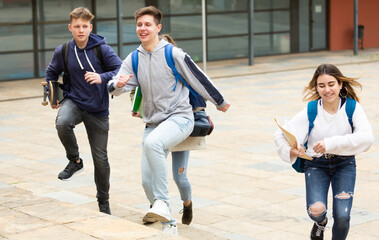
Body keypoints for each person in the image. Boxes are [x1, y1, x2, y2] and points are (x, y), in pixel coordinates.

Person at [108, 6, 230, 235]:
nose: (142, 29)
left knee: (161, 154)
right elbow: (113, 87)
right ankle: (169, 224)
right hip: (153, 123)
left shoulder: (173, 54)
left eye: (147, 24)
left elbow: (198, 78)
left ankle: (165, 203)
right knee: (146, 181)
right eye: (139, 25)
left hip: (180, 118)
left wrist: (219, 100)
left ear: (158, 28)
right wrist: (119, 85)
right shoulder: (134, 58)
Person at [274, 64, 373, 240]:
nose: (327, 89)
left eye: (331, 84)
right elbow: (280, 134)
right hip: (316, 165)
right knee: (315, 211)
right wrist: (292, 149)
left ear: (340, 84)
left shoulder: (352, 108)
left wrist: (330, 143)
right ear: (316, 87)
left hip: (345, 164)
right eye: (321, 85)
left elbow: (367, 138)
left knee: (342, 216)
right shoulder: (312, 109)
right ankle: (320, 222)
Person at [45, 7, 122, 215]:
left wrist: (102, 77)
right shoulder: (63, 50)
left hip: (98, 108)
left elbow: (121, 70)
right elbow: (51, 73)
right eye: (77, 26)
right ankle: (75, 160)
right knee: (62, 122)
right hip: (75, 101)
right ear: (70, 27)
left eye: (84, 26)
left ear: (91, 27)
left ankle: (103, 202)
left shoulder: (102, 49)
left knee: (101, 159)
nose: (81, 30)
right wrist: (52, 95)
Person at [131, 34, 193, 226]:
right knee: (147, 180)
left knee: (180, 177)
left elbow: (200, 93)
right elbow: (139, 97)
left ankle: (187, 203)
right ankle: (157, 208)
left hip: (178, 127)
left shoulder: (179, 70)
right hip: (157, 129)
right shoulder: (147, 73)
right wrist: (138, 110)